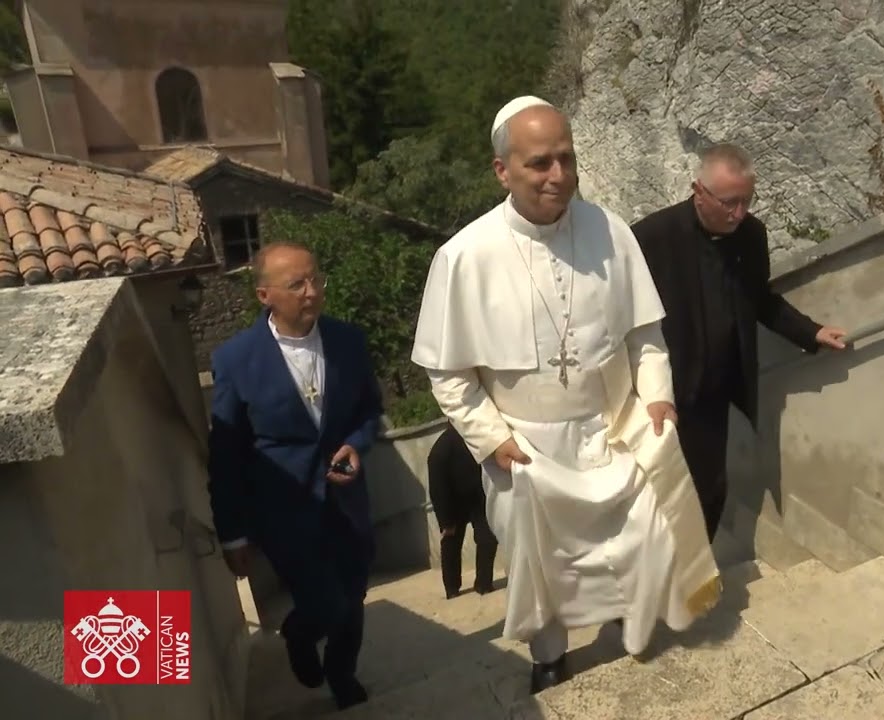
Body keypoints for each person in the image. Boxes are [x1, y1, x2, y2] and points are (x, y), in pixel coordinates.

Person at [410, 96, 721, 694]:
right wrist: (491, 438)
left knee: (637, 539)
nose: (558, 175)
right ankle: (548, 653)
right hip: (526, 446)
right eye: (539, 163)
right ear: (502, 170)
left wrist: (656, 395)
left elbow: (644, 332)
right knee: (541, 562)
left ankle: (633, 629)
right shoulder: (464, 256)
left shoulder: (610, 231)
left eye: (566, 158)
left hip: (612, 427)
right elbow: (448, 373)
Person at [630, 143, 848, 541]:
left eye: (747, 201)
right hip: (661, 395)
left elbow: (759, 299)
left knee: (710, 493)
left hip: (714, 394)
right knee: (653, 494)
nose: (739, 213)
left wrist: (810, 331)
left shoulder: (750, 235)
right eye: (729, 202)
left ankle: (695, 583)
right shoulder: (651, 237)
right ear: (699, 191)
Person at [206, 241, 382, 711]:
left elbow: (369, 411)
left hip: (347, 500)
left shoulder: (348, 341)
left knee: (354, 595)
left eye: (315, 279)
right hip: (284, 511)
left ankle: (343, 675)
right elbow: (225, 453)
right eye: (296, 284)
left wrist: (357, 445)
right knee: (327, 604)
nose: (312, 291)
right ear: (265, 295)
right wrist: (232, 534)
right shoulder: (235, 361)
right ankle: (299, 632)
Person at [427, 421, 499, 599]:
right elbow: (437, 489)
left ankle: (483, 583)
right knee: (451, 541)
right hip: (452, 502)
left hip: (477, 498)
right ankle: (452, 588)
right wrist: (445, 521)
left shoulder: (476, 440)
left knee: (487, 538)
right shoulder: (441, 450)